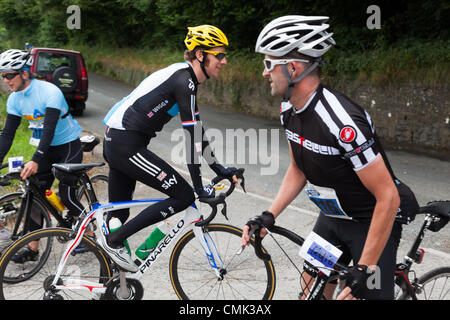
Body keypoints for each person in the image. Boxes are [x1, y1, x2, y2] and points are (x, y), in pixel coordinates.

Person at [241, 15, 419, 300]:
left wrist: (365, 267)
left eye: (268, 64)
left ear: (292, 68)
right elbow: (299, 168)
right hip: (333, 216)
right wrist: (268, 214)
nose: (264, 73)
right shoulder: (288, 108)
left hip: (371, 218)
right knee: (309, 292)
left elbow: (388, 196)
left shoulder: (342, 122)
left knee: (363, 294)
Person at [102, 25, 238, 272]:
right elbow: (191, 139)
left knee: (119, 214)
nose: (224, 61)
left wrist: (219, 168)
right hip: (126, 144)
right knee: (183, 196)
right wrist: (197, 187)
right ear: (200, 55)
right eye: (219, 55)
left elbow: (197, 131)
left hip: (120, 141)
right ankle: (112, 240)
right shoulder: (184, 81)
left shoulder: (185, 79)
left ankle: (110, 281)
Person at [0, 49, 84, 261]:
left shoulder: (50, 91)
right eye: (3, 75)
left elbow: (49, 130)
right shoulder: (14, 100)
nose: (6, 80)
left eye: (10, 75)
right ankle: (33, 249)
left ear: (25, 73)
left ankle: (89, 235)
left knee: (66, 195)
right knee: (34, 193)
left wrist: (36, 159)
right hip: (46, 149)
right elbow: (8, 135)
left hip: (67, 145)